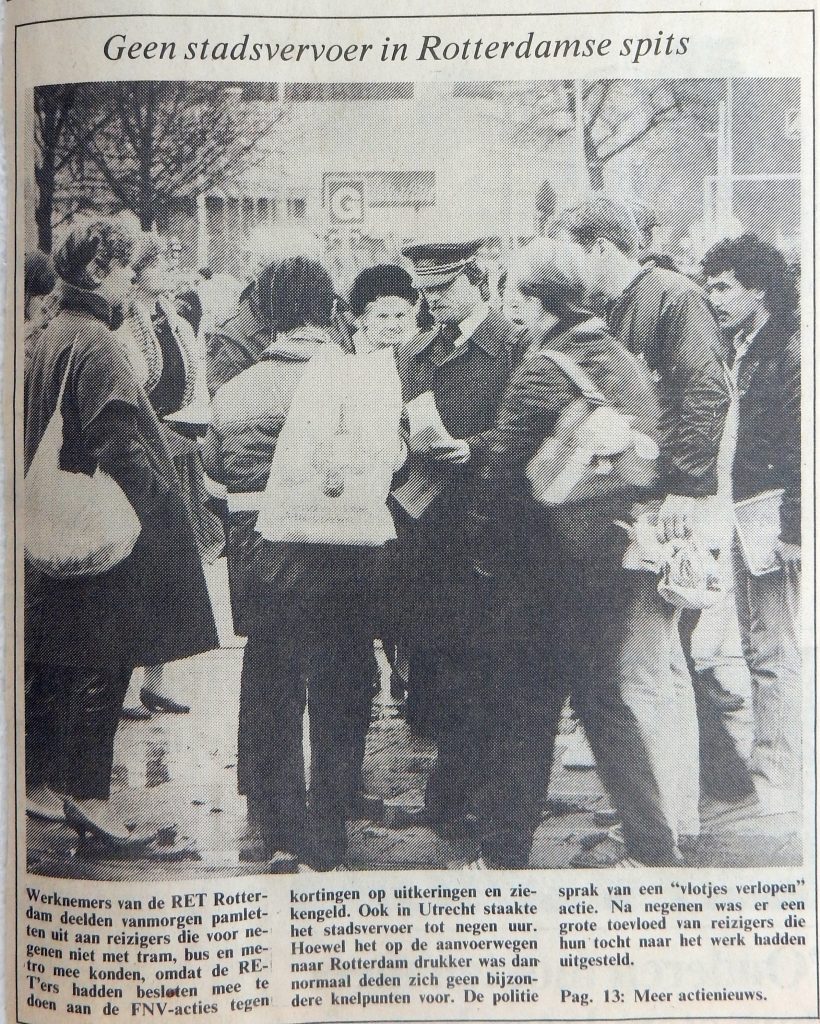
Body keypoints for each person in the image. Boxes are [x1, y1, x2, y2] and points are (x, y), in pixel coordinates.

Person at [406, 238, 678, 868]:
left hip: (540, 565)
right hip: (610, 549)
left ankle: (502, 855)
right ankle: (655, 850)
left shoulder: (542, 368)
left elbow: (503, 474)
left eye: (519, 294)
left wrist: (482, 544)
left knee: (523, 711)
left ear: (538, 300)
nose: (514, 306)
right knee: (603, 704)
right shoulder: (622, 358)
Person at [202, 255, 402, 872]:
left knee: (269, 674)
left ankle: (267, 813)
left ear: (269, 312)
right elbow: (385, 456)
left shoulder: (239, 387)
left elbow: (212, 464)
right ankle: (330, 813)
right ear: (329, 310)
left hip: (258, 541)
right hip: (342, 547)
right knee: (341, 674)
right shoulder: (353, 374)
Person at [24, 216, 218, 844]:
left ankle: (41, 783)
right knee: (103, 664)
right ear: (100, 270)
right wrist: (161, 503)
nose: (136, 279)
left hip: (47, 519)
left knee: (53, 654)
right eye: (130, 268)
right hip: (104, 527)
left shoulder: (45, 332)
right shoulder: (101, 345)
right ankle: (86, 795)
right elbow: (125, 442)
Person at [550, 197, 731, 861]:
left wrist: (684, 485)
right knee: (651, 666)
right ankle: (664, 816)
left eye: (569, 251)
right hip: (644, 501)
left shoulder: (671, 299)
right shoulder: (639, 300)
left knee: (649, 669)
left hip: (660, 506)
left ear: (599, 245)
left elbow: (706, 390)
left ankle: (661, 829)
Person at [393, 240, 520, 742]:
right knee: (424, 638)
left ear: (477, 278)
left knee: (480, 648)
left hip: (485, 517)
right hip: (422, 517)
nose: (433, 301)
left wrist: (472, 449)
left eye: (444, 288)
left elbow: (523, 432)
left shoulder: (515, 346)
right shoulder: (412, 351)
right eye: (425, 292)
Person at [701, 234, 801, 811]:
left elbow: (799, 445)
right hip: (748, 509)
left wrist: (793, 528)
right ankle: (773, 760)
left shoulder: (784, 352)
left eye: (724, 287)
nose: (714, 298)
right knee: (758, 641)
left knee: (771, 646)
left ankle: (778, 768)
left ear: (757, 288)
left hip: (771, 513)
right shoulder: (746, 345)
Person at [117, 233, 218, 719]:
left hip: (175, 445)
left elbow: (190, 384)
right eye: (158, 262)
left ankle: (156, 679)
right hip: (143, 449)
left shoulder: (176, 321)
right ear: (136, 271)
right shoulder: (121, 325)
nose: (169, 269)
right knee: (135, 565)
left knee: (173, 566)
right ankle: (120, 682)